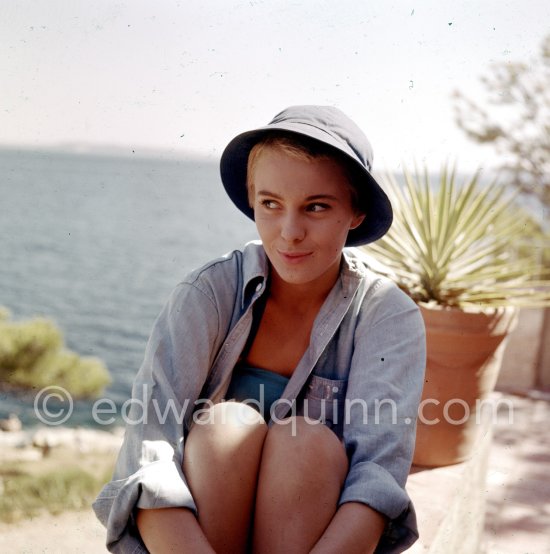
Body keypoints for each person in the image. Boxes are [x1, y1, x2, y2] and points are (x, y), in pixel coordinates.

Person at [93, 105, 426, 553]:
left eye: (317, 207)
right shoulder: (207, 294)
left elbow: (377, 480)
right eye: (271, 204)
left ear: (356, 213)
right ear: (252, 199)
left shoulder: (386, 315)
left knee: (303, 441)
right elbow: (148, 454)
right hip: (198, 540)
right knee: (225, 425)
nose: (289, 232)